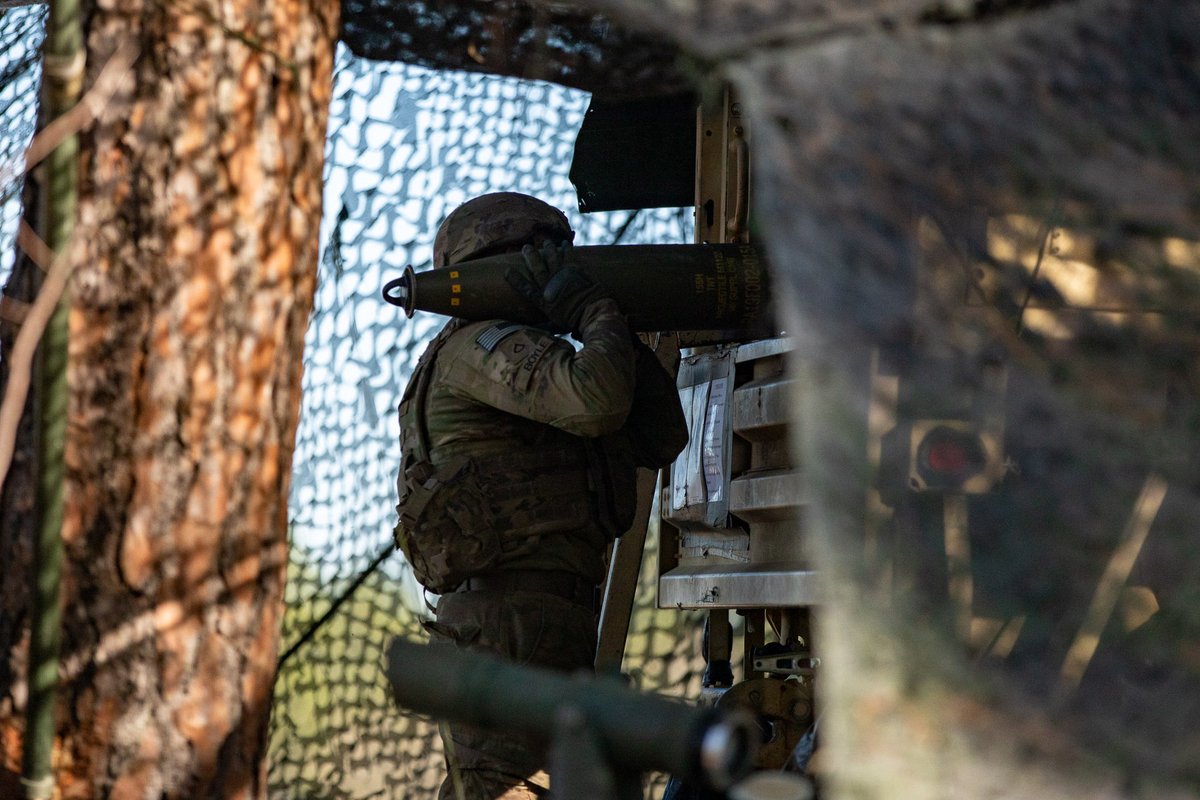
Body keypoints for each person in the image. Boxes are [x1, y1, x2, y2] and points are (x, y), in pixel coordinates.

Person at [393, 192, 689, 799]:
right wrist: (594, 312)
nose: (548, 264)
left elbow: (663, 436)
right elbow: (596, 399)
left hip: (538, 625)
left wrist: (606, 322)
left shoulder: (527, 353)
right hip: (509, 631)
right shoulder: (480, 345)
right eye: (531, 256)